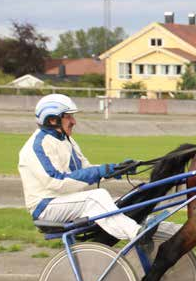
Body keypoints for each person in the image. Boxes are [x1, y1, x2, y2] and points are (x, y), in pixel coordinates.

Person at [18, 93, 144, 242]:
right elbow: (56, 181)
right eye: (69, 117)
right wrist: (99, 172)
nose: (74, 121)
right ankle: (138, 234)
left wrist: (115, 169)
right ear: (52, 120)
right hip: (46, 207)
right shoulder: (37, 146)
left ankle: (163, 232)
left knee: (129, 202)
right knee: (97, 197)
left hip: (66, 202)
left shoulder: (66, 140)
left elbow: (86, 169)